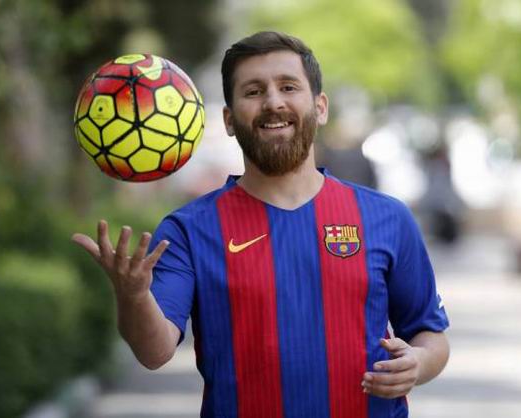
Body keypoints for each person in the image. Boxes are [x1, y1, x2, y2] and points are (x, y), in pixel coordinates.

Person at [72, 31, 450, 418]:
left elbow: (431, 334)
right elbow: (154, 353)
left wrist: (417, 363)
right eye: (253, 92)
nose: (273, 102)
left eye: (288, 87)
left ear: (320, 107)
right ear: (230, 119)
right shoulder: (189, 229)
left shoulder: (386, 218)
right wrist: (133, 295)